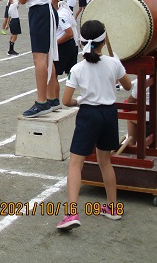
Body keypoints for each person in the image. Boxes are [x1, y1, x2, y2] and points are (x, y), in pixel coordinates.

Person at [57, 20, 131, 230]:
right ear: (103, 41)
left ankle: (71, 214)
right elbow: (126, 86)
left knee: (75, 163)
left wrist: (80, 100)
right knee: (105, 162)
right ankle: (113, 207)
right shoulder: (113, 63)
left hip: (89, 114)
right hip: (109, 114)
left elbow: (66, 100)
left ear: (82, 41)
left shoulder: (78, 68)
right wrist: (118, 63)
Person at [48, 0, 78, 107]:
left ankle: (55, 100)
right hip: (70, 46)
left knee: (53, 74)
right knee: (71, 74)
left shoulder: (60, 14)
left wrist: (54, 43)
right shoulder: (63, 10)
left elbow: (69, 33)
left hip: (63, 46)